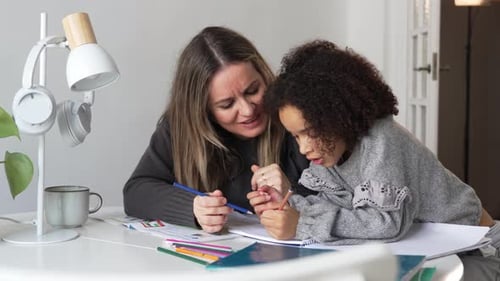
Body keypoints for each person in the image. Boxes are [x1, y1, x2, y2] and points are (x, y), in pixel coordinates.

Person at [248, 40, 500, 280]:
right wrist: (291, 205)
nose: (303, 147)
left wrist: (301, 224)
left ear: (339, 115)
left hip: (481, 250)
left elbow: (386, 224)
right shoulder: (330, 154)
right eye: (295, 136)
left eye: (311, 132)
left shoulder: (381, 139)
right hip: (433, 253)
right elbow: (337, 208)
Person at [123, 26, 311, 234]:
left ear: (264, 75)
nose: (247, 110)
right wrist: (193, 207)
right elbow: (136, 192)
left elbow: (345, 199)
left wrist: (291, 194)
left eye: (252, 90)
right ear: (203, 111)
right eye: (227, 104)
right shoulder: (179, 129)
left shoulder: (296, 116)